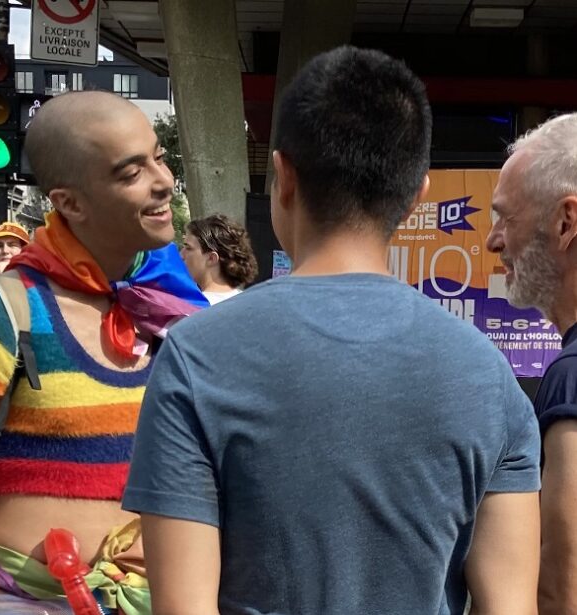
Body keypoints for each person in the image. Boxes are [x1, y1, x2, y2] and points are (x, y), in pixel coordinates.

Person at [123, 46, 541, 615]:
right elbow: (510, 605)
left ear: (283, 176)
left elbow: (182, 606)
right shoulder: (490, 378)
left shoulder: (196, 356)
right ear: (416, 196)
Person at [0, 91, 207, 615]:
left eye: (159, 157)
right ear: (70, 203)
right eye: (132, 172)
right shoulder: (3, 312)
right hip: (36, 601)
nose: (164, 181)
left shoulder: (177, 308)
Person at [485, 112, 577, 614]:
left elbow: (564, 592)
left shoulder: (571, 378)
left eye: (505, 217)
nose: (493, 240)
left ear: (566, 222)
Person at [180, 214, 258, 305]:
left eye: (188, 248)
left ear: (211, 258)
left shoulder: (191, 308)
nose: (181, 255)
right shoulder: (249, 303)